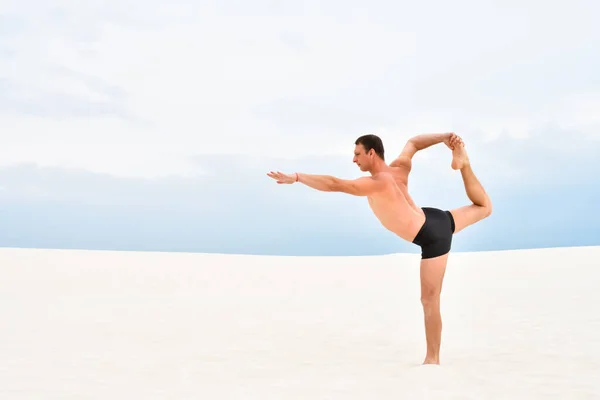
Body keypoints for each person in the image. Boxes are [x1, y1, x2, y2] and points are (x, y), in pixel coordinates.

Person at [266, 132, 492, 365]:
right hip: (435, 218)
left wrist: (297, 177)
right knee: (484, 207)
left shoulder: (379, 182)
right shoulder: (399, 169)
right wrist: (444, 137)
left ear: (371, 153)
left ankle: (432, 360)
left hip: (432, 237)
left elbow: (335, 184)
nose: (354, 160)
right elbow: (413, 143)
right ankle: (464, 165)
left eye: (357, 154)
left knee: (429, 300)